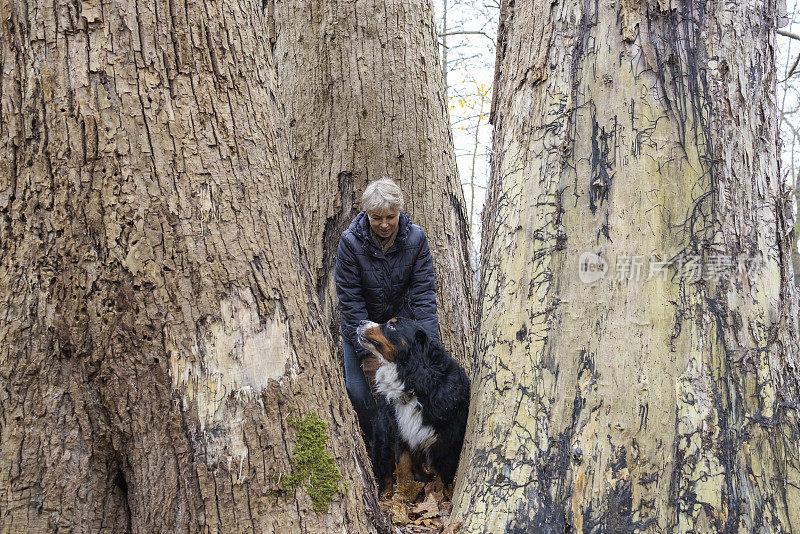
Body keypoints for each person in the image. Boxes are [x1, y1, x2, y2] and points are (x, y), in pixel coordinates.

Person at [335, 177, 440, 442]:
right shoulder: (350, 243)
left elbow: (424, 297)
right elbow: (350, 302)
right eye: (376, 217)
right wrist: (369, 352)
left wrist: (429, 347)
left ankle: (406, 449)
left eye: (390, 217)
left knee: (411, 394)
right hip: (361, 329)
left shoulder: (416, 239)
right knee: (358, 391)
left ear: (400, 213)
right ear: (367, 214)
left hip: (399, 329)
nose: (384, 224)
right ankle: (375, 444)